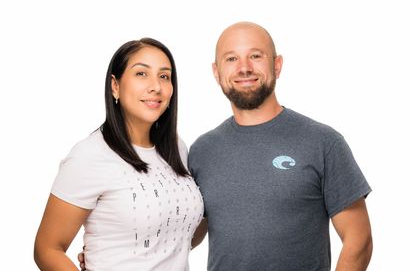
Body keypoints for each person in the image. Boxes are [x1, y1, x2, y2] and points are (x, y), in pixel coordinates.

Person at [188, 22, 373, 271]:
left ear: (277, 65)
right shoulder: (202, 151)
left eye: (255, 56)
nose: (244, 68)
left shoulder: (323, 142)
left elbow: (358, 240)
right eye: (231, 58)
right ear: (216, 72)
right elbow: (188, 235)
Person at [34, 38, 204, 271]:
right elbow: (47, 248)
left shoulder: (176, 148)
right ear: (115, 86)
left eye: (164, 76)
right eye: (141, 74)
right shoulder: (90, 156)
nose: (156, 86)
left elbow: (176, 239)